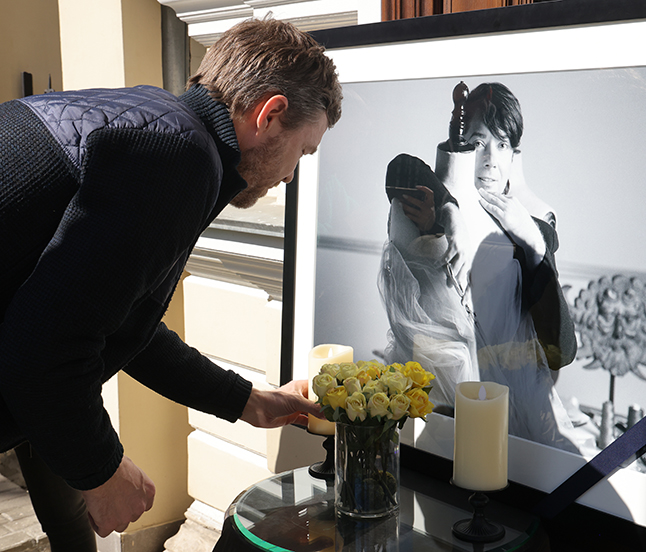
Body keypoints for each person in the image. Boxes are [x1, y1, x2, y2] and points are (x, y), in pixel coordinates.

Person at [0, 17, 340, 549]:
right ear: (270, 114)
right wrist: (103, 470)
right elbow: (47, 345)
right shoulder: (175, 156)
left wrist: (249, 400)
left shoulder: (151, 122)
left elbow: (116, 320)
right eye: (303, 150)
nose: (292, 174)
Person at [380, 82, 583, 451]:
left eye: (502, 145)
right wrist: (449, 212)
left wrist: (535, 244)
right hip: (431, 404)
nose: (490, 159)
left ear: (514, 153)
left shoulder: (530, 228)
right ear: (460, 143)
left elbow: (562, 351)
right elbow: (401, 167)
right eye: (478, 142)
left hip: (506, 411)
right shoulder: (426, 201)